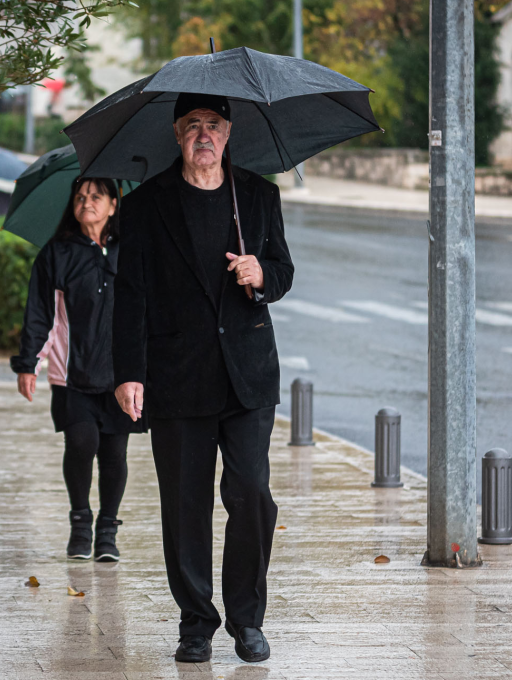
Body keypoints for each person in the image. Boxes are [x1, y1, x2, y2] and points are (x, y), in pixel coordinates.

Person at [112, 93, 294, 663]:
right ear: (177, 134)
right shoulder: (145, 206)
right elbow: (130, 295)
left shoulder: (259, 196)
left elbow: (283, 271)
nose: (204, 135)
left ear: (229, 133)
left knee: (252, 495)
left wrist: (260, 274)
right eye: (193, 125)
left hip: (247, 377)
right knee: (185, 506)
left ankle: (247, 619)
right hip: (177, 376)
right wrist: (129, 373)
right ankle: (196, 622)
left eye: (214, 125)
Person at [11, 176, 146, 562]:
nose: (86, 201)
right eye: (81, 196)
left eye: (96, 196)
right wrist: (28, 363)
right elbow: (41, 314)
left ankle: (107, 531)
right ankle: (81, 522)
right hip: (72, 373)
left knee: (115, 453)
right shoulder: (56, 253)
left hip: (122, 374)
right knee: (82, 442)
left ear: (114, 205)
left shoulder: (131, 250)